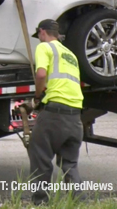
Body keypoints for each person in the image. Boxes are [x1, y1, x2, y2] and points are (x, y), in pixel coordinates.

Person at [28, 19, 85, 204]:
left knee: (41, 160)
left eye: (39, 36)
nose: (39, 40)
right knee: (70, 165)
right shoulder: (70, 54)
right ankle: (79, 203)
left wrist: (37, 97)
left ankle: (40, 203)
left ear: (42, 32)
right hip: (75, 117)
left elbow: (41, 74)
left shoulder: (45, 48)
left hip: (54, 115)